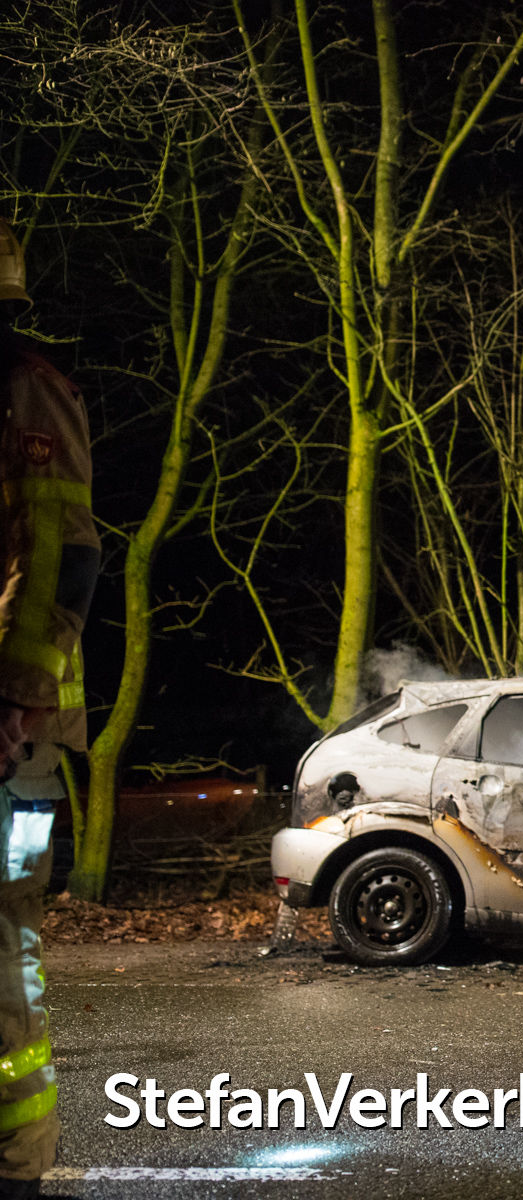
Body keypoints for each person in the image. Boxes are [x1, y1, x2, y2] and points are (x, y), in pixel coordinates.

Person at [0, 215, 98, 1196]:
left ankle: (16, 1168)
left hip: (13, 750)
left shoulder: (27, 392)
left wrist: (16, 702)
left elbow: (64, 555)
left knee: (3, 945)